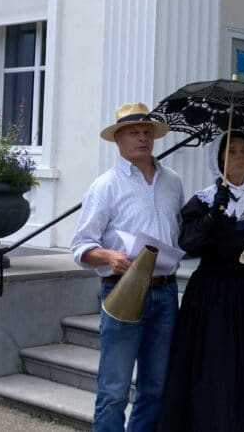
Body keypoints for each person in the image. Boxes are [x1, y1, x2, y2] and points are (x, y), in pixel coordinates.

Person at [157, 130, 244, 431]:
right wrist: (212, 217)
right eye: (232, 151)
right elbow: (187, 244)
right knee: (215, 371)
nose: (240, 157)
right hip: (214, 297)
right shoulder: (205, 200)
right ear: (219, 160)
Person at [70, 102, 186, 432]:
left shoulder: (173, 182)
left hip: (165, 293)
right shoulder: (105, 186)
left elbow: (178, 230)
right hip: (122, 290)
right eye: (133, 132)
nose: (142, 138)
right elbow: (80, 247)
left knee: (156, 386)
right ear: (118, 140)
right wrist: (109, 257)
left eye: (147, 132)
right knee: (114, 389)